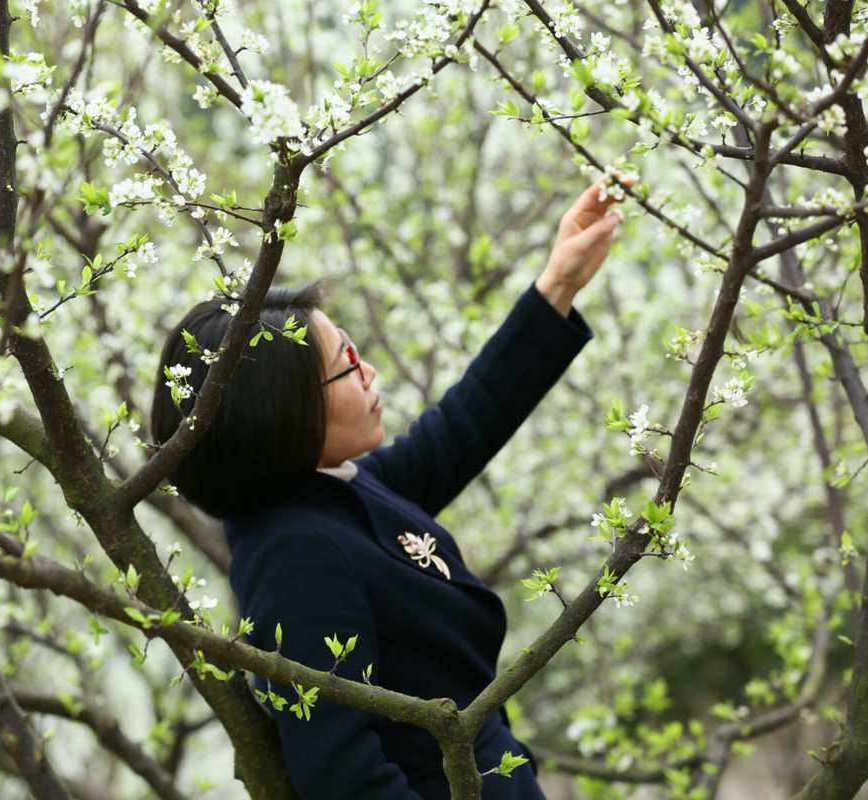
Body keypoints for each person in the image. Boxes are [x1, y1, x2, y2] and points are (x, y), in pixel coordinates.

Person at [150, 173, 634, 798]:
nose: (370, 372)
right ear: (286, 413)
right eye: (348, 367)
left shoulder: (326, 500)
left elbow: (457, 433)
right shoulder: (295, 556)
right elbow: (345, 780)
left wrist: (558, 284)